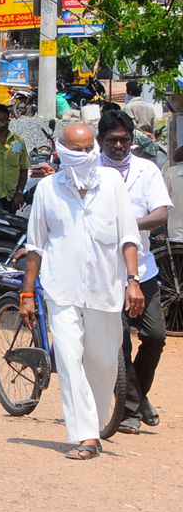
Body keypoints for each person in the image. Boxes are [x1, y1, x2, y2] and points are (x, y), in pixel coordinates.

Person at [22, 123, 144, 460]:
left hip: (106, 289)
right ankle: (86, 435)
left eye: (90, 148)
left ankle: (94, 423)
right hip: (61, 289)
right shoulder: (47, 189)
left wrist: (133, 280)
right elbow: (36, 246)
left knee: (104, 362)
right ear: (61, 151)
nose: (85, 155)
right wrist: (27, 294)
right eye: (77, 149)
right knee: (69, 359)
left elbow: (128, 237)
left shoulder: (112, 184)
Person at [96, 110, 171, 433]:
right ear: (100, 141)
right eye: (111, 140)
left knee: (155, 336)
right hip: (104, 273)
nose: (118, 145)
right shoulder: (90, 170)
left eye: (124, 139)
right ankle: (129, 410)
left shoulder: (147, 170)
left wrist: (129, 225)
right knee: (120, 343)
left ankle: (138, 397)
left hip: (143, 269)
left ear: (132, 140)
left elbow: (161, 213)